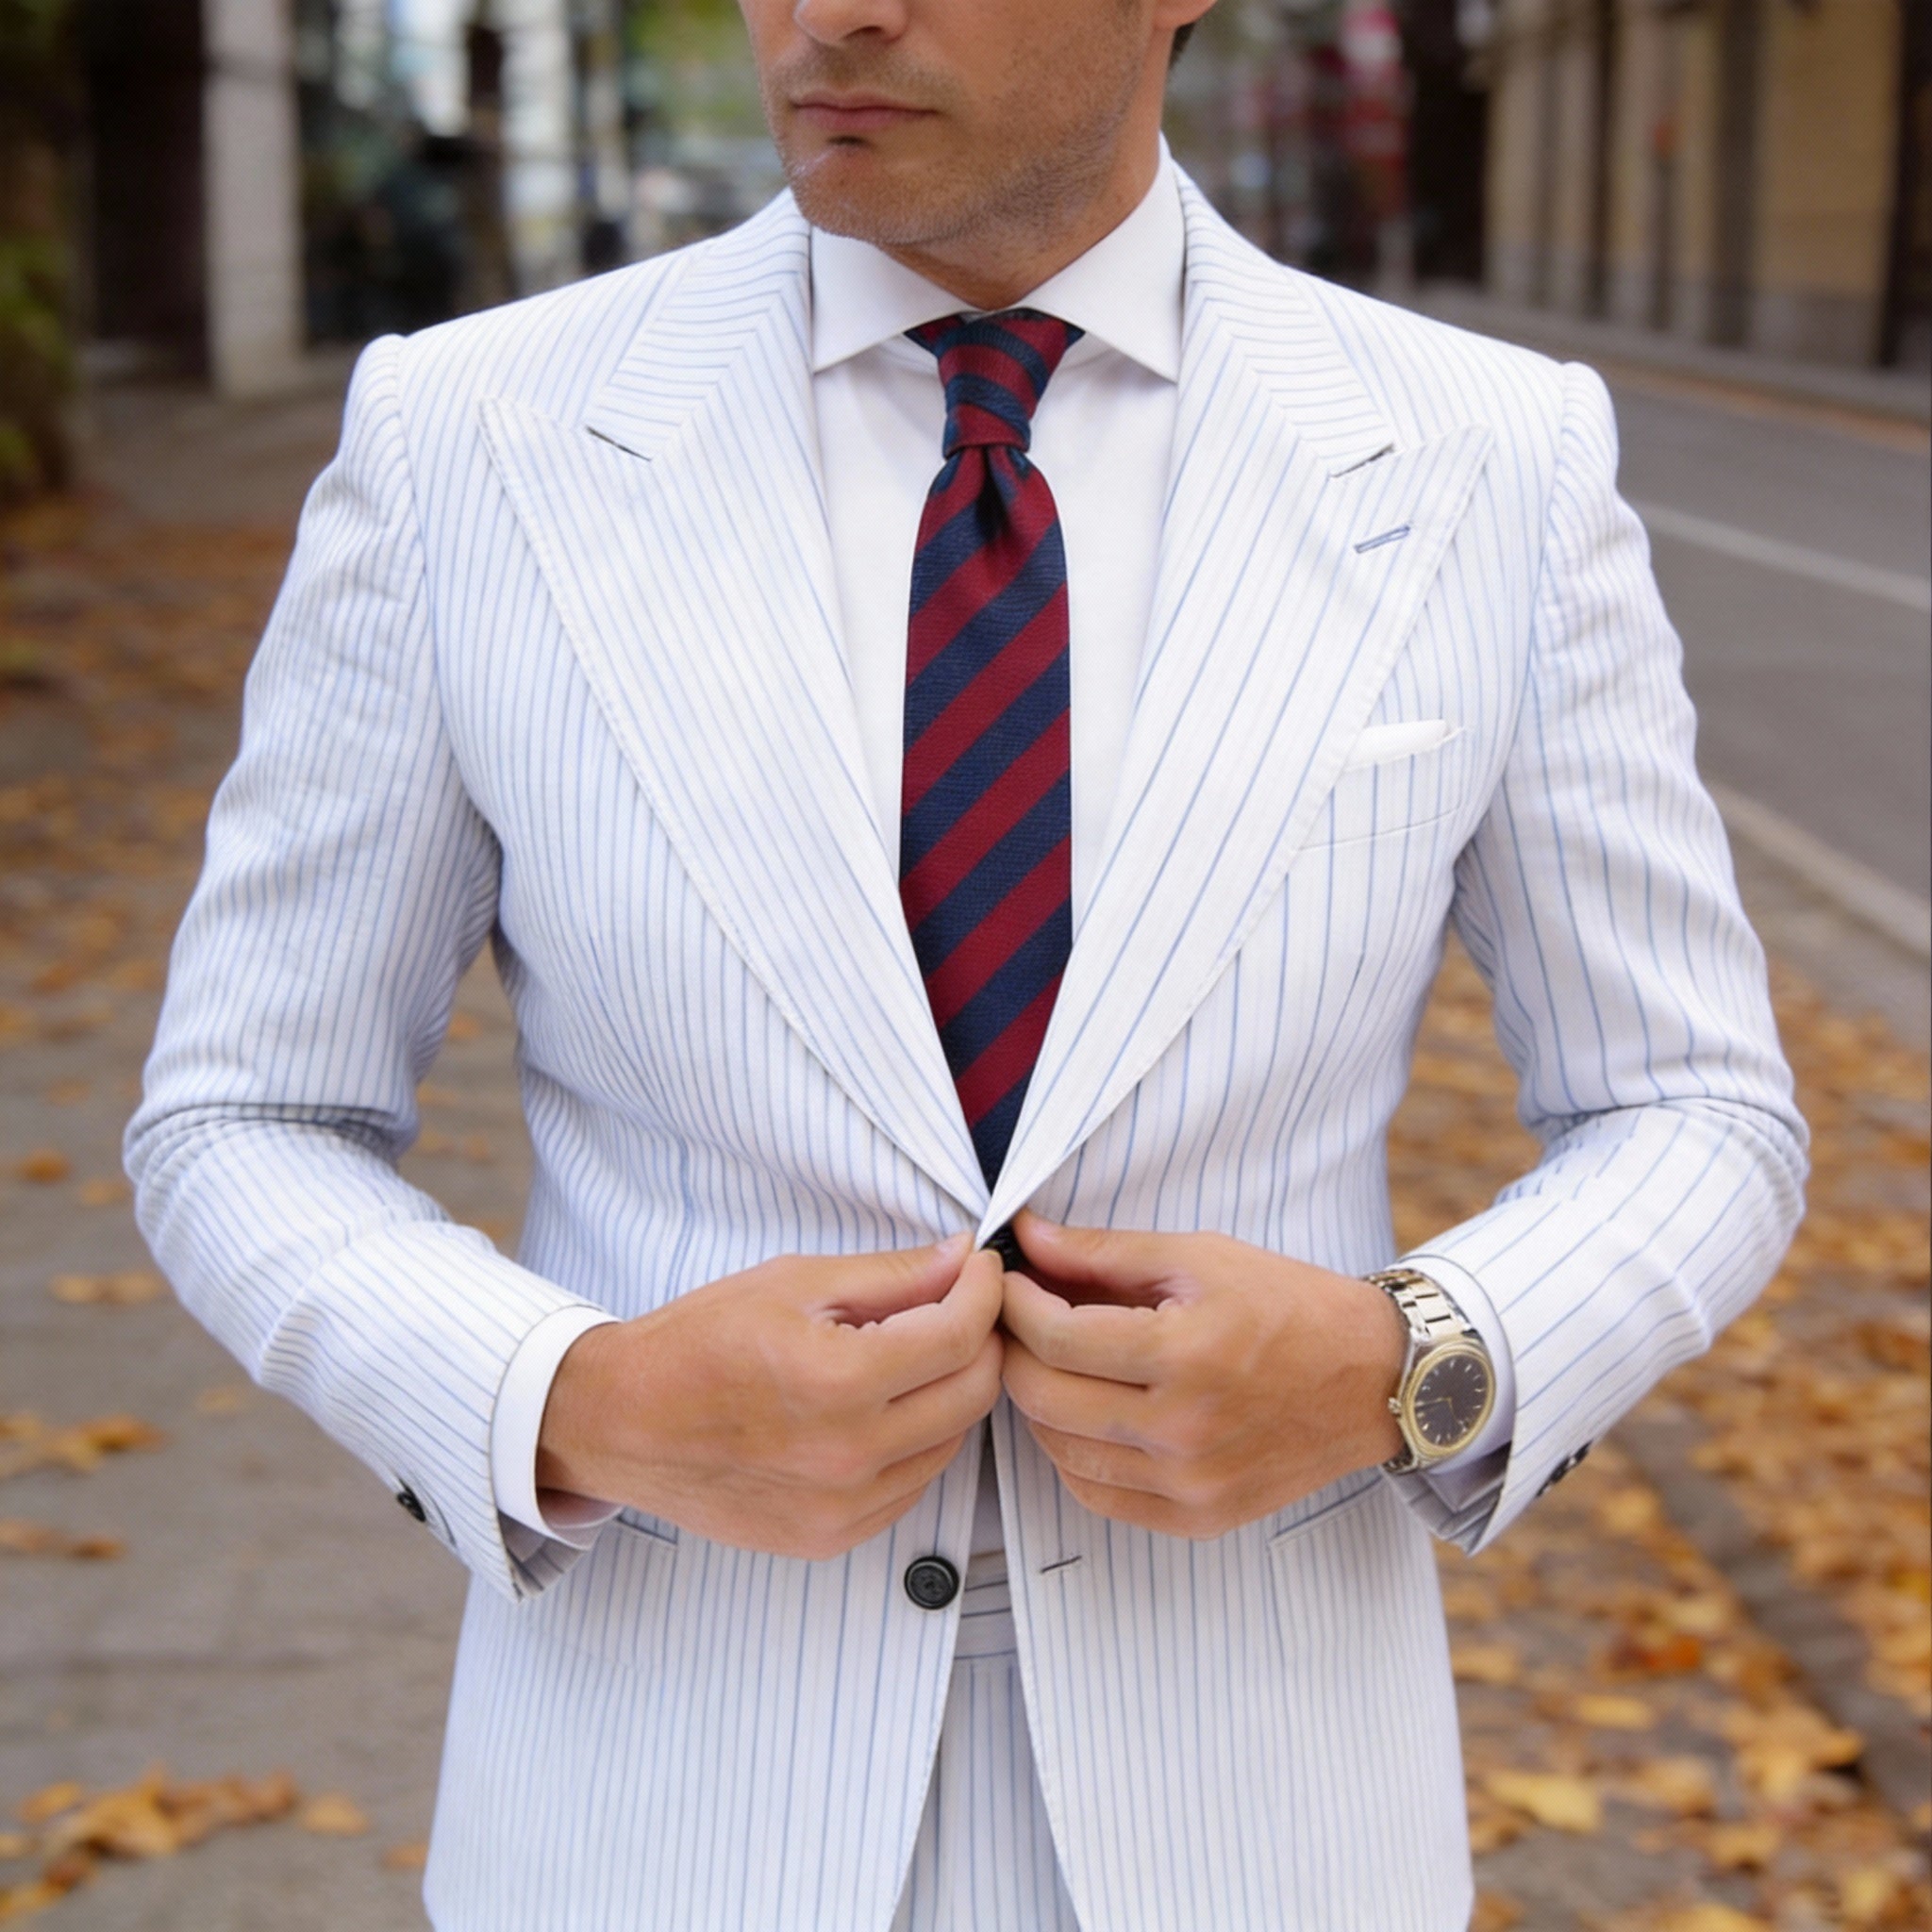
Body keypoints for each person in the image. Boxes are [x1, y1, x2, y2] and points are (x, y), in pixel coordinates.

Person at [126, 0, 1807, 1925]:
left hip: (1260, 1816)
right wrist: (568, 1397)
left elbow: (1690, 1106)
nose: (831, 10)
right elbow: (246, 1112)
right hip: (662, 1807)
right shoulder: (470, 441)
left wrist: (1407, 1361)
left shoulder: (1487, 459)